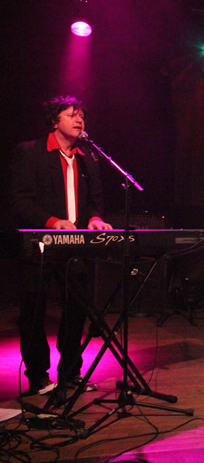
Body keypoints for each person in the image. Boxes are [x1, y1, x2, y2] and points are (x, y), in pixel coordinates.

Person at [10, 95, 113, 400]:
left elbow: (95, 200)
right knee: (34, 310)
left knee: (76, 309)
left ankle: (70, 372)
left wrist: (95, 218)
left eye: (82, 115)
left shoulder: (88, 157)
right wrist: (53, 221)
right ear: (55, 121)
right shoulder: (30, 152)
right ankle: (38, 376)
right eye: (72, 115)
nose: (80, 120)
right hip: (40, 245)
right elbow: (19, 200)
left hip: (75, 246)